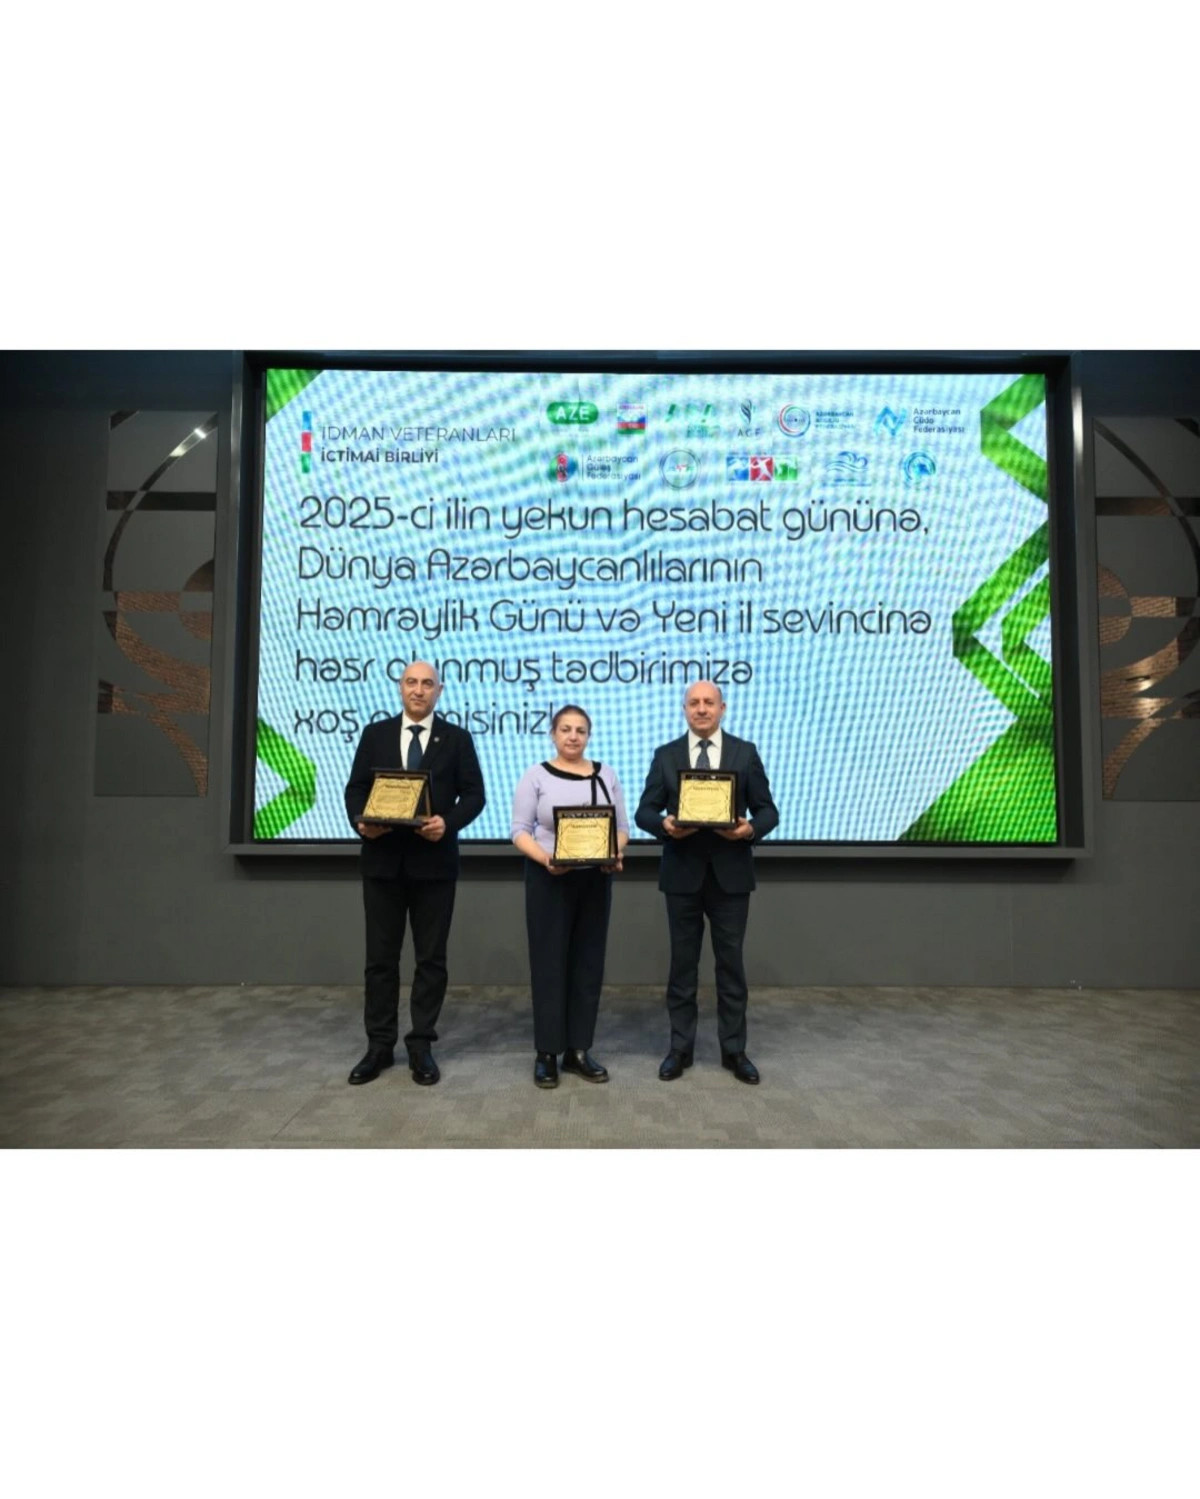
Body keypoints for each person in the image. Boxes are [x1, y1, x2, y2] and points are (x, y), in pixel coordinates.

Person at [343, 661, 485, 1085]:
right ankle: (379, 1045)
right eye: (411, 682)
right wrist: (361, 822)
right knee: (380, 961)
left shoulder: (456, 738)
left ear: (439, 691)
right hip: (382, 862)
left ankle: (421, 1044)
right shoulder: (376, 734)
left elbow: (475, 795)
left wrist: (448, 822)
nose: (418, 690)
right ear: (400, 688)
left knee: (431, 960)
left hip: (434, 864)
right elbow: (356, 789)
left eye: (426, 684)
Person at [635, 680, 778, 1084]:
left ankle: (734, 1051)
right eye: (694, 703)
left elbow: (768, 811)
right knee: (683, 967)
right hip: (682, 875)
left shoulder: (745, 753)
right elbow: (645, 811)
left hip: (731, 877)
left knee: (730, 967)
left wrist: (749, 829)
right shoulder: (666, 755)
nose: (701, 709)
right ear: (684, 709)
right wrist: (664, 825)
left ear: (722, 708)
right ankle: (680, 1049)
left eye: (709, 703)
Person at [511, 705, 629, 1089]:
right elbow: (519, 830)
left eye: (580, 730)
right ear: (553, 734)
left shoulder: (606, 774)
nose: (573, 736)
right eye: (565, 729)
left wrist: (615, 852)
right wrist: (546, 859)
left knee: (587, 965)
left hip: (594, 879)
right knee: (549, 965)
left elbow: (621, 828)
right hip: (548, 879)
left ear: (588, 736)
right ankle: (547, 1053)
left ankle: (579, 1050)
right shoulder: (536, 775)